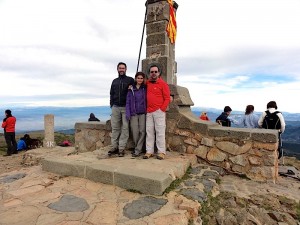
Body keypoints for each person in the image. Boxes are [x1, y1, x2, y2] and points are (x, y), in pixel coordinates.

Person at [143, 64, 170, 160]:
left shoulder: (163, 84)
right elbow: (138, 84)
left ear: (158, 73)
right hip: (149, 111)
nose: (153, 73)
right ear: (149, 73)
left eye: (155, 72)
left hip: (159, 112)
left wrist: (161, 109)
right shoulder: (147, 83)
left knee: (160, 132)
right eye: (152, 72)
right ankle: (149, 151)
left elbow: (167, 98)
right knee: (149, 132)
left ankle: (161, 152)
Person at [108, 62, 134, 157]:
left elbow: (136, 90)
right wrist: (111, 103)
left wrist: (132, 87)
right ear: (117, 69)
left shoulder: (130, 80)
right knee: (115, 128)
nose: (121, 70)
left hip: (126, 107)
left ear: (126, 69)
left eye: (123, 68)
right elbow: (111, 93)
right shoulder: (114, 81)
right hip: (115, 107)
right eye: (120, 68)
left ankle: (121, 149)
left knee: (125, 128)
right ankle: (114, 147)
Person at [126, 72, 147, 157]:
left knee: (142, 131)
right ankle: (138, 148)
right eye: (138, 78)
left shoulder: (145, 88)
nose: (140, 80)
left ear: (143, 79)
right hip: (133, 113)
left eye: (141, 78)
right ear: (135, 79)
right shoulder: (131, 89)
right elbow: (128, 102)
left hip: (143, 113)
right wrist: (128, 113)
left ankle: (137, 150)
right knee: (135, 132)